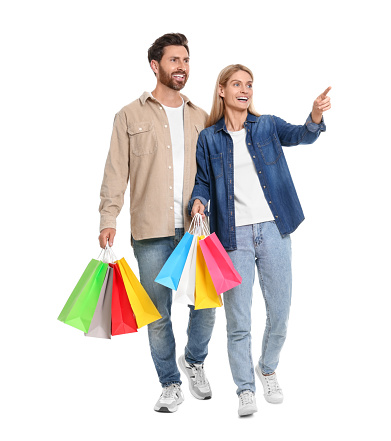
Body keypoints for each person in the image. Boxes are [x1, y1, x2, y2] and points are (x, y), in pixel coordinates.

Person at [190, 64, 331, 416]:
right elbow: (203, 181)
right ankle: (245, 389)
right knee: (238, 320)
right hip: (232, 235)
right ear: (221, 90)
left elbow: (302, 135)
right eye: (237, 84)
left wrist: (314, 116)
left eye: (249, 84)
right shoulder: (209, 138)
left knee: (280, 313)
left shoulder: (266, 125)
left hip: (274, 229)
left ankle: (267, 368)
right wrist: (198, 200)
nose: (244, 90)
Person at [98, 33, 216, 413]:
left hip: (196, 230)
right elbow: (116, 172)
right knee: (158, 312)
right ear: (155, 65)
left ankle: (194, 361)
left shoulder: (201, 117)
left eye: (186, 60)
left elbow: (216, 172)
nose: (181, 66)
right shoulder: (129, 116)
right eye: (174, 60)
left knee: (205, 305)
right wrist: (108, 217)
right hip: (150, 232)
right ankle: (170, 383)